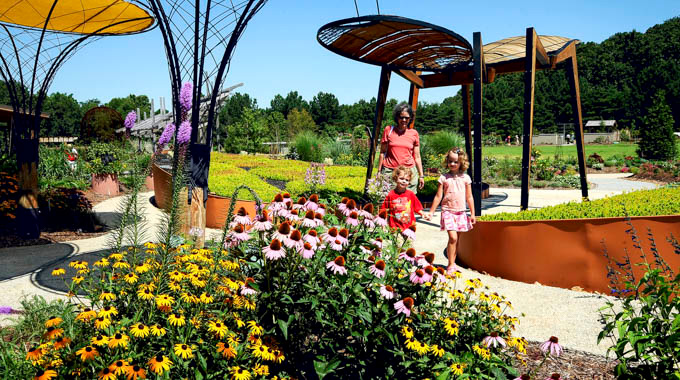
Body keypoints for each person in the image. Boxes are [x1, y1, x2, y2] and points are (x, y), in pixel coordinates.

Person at [426, 147, 476, 274]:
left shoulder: (466, 178)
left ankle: (453, 262)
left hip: (461, 212)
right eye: (450, 161)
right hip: (448, 211)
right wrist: (431, 212)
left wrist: (472, 213)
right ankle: (451, 264)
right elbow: (438, 196)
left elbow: (469, 197)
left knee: (456, 240)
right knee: (453, 238)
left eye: (456, 162)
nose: (452, 164)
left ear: (461, 162)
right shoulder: (444, 178)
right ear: (447, 161)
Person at [377, 103, 425, 193]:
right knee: (389, 200)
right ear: (397, 117)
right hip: (390, 171)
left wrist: (421, 176)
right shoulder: (389, 130)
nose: (404, 120)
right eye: (401, 117)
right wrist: (379, 171)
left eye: (406, 118)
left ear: (410, 118)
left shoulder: (414, 133)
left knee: (408, 202)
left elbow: (417, 157)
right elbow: (382, 152)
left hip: (409, 172)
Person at [380, 165, 426, 231]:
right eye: (401, 178)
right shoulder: (390, 195)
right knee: (398, 241)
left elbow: (417, 207)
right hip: (395, 228)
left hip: (409, 228)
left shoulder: (410, 194)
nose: (404, 181)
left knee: (408, 241)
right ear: (396, 178)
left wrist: (423, 214)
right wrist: (383, 223)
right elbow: (384, 210)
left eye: (407, 180)